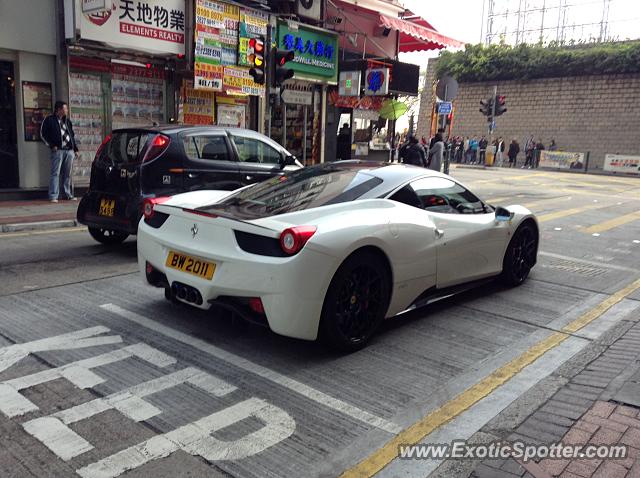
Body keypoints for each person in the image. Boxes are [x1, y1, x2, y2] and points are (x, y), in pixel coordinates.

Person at [40, 101, 78, 202]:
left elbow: (72, 136)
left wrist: (75, 149)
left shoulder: (67, 121)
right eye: (65, 108)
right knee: (55, 173)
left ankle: (67, 194)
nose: (67, 110)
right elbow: (43, 134)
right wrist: (52, 146)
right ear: (59, 110)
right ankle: (53, 195)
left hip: (69, 151)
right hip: (58, 150)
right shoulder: (49, 120)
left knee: (67, 174)